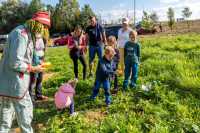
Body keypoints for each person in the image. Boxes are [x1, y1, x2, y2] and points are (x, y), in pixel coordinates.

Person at [0, 11, 51, 133]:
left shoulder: (26, 33)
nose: (43, 32)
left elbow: (21, 58)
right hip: (16, 85)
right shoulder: (21, 35)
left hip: (9, 84)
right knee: (25, 114)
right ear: (38, 25)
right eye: (44, 28)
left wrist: (34, 64)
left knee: (5, 119)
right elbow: (15, 63)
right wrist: (34, 68)